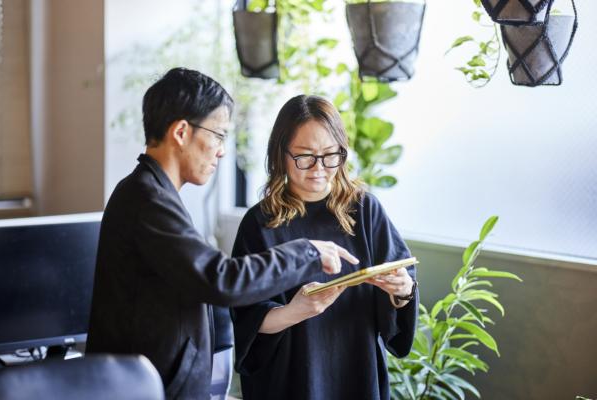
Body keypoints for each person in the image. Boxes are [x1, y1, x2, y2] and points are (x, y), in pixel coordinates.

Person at [86, 69, 359, 400]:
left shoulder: (153, 194)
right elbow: (221, 278)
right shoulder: (147, 200)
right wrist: (308, 252)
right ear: (181, 132)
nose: (221, 150)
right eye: (218, 135)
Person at [231, 95, 419, 400]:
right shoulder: (260, 223)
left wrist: (402, 291)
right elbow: (245, 321)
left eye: (331, 155)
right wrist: (294, 311)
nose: (319, 168)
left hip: (356, 373)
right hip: (289, 381)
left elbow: (402, 297)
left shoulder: (364, 211)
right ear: (281, 153)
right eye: (305, 156)